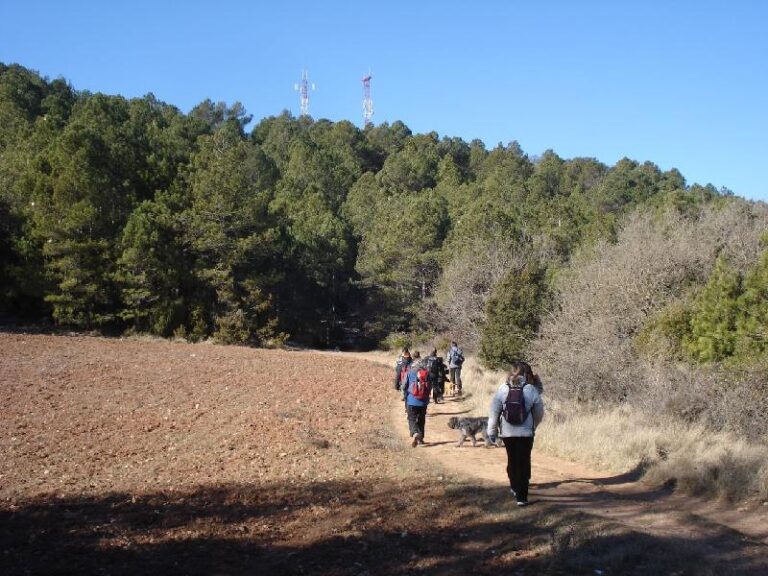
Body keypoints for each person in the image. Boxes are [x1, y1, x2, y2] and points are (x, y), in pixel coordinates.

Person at [487, 361, 544, 506]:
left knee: (512, 460)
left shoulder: (503, 389)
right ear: (525, 374)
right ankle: (522, 498)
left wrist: (492, 431)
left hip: (507, 432)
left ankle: (514, 487)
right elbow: (539, 412)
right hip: (526, 433)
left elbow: (494, 412)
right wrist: (533, 426)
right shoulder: (530, 389)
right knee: (523, 462)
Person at [403, 351, 430, 447]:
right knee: (421, 419)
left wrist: (405, 396)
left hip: (412, 400)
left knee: (411, 418)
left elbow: (404, 385)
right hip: (423, 401)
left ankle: (415, 433)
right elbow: (429, 386)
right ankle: (421, 438)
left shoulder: (410, 372)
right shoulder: (426, 373)